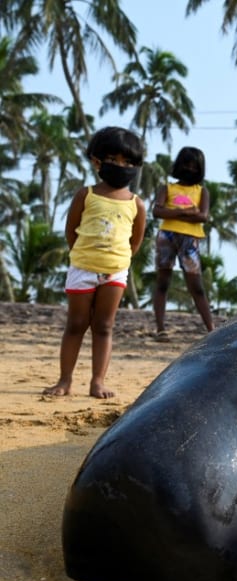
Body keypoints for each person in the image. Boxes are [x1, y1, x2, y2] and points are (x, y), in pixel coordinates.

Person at [43, 126, 147, 398]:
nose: (121, 166)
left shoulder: (137, 203)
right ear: (96, 161)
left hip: (115, 273)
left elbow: (135, 241)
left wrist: (118, 262)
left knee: (104, 326)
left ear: (136, 166)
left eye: (128, 162)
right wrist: (84, 257)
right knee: (76, 324)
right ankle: (64, 380)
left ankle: (97, 381)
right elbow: (71, 231)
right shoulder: (85, 195)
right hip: (82, 268)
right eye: (113, 160)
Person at [151, 146, 214, 341]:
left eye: (194, 166)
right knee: (163, 282)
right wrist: (187, 213)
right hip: (167, 237)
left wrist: (174, 212)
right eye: (186, 164)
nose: (190, 169)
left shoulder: (202, 191)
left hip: (189, 239)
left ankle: (211, 329)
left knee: (196, 285)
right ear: (179, 165)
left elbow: (203, 216)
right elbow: (157, 211)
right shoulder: (167, 188)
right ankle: (161, 328)